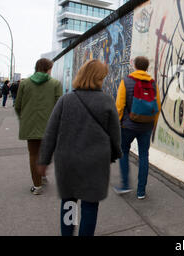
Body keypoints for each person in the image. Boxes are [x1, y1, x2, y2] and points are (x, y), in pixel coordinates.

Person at [38, 59, 122, 236]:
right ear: (98, 78)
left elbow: (50, 133)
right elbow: (115, 136)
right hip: (95, 163)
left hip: (67, 162)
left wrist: (44, 160)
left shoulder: (65, 100)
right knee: (90, 206)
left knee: (69, 203)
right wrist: (114, 155)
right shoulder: (107, 101)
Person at [114, 56, 161, 200]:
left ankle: (125, 185)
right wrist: (154, 124)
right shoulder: (153, 83)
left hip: (128, 126)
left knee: (123, 152)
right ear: (147, 67)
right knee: (144, 156)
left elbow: (119, 106)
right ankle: (141, 191)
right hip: (146, 125)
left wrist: (118, 123)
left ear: (134, 66)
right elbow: (157, 106)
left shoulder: (126, 81)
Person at [14, 59, 62, 195]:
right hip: (50, 126)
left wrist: (24, 119)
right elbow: (59, 106)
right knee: (46, 151)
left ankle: (37, 186)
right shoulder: (55, 84)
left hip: (30, 124)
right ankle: (43, 174)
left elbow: (18, 105)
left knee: (33, 154)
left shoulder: (24, 83)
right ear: (48, 69)